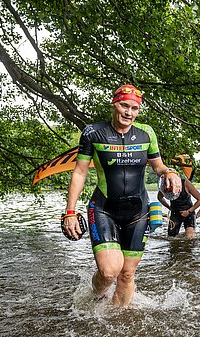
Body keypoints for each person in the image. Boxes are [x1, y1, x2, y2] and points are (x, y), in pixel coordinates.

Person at [63, 85, 182, 306]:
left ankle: (118, 322)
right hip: (103, 209)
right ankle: (95, 296)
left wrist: (170, 172)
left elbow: (158, 166)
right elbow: (80, 172)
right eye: (124, 105)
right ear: (113, 104)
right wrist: (70, 212)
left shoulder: (146, 133)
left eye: (134, 108)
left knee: (126, 274)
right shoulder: (93, 132)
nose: (129, 112)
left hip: (138, 211)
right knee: (109, 272)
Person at [158, 169, 200, 239]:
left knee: (190, 237)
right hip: (175, 213)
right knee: (171, 237)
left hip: (189, 212)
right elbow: (160, 198)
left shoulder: (186, 184)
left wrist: (189, 211)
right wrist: (168, 207)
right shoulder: (166, 186)